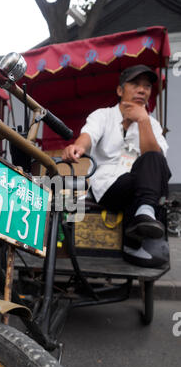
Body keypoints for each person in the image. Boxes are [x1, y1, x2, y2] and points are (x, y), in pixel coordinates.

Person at [62, 64, 171, 266]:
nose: (142, 90)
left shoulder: (152, 124)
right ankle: (145, 212)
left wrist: (143, 121)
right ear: (120, 90)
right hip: (108, 187)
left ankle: (144, 214)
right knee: (147, 175)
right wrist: (78, 147)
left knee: (155, 158)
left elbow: (157, 161)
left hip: (139, 188)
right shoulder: (103, 116)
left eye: (147, 87)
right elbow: (88, 136)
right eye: (135, 84)